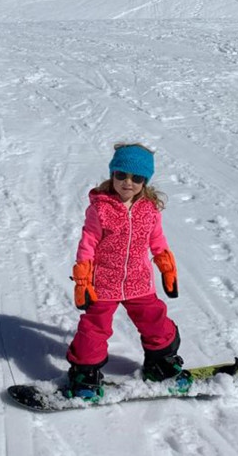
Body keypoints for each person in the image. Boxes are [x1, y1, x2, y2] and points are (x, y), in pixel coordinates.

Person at [66, 143, 189, 401]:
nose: (127, 182)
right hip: (104, 283)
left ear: (145, 181)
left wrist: (166, 268)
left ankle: (159, 363)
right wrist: (82, 280)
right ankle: (85, 373)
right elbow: (87, 243)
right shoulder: (100, 208)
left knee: (154, 319)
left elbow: (158, 241)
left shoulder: (150, 210)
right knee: (94, 328)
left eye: (136, 178)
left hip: (138, 281)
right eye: (121, 175)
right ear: (113, 174)